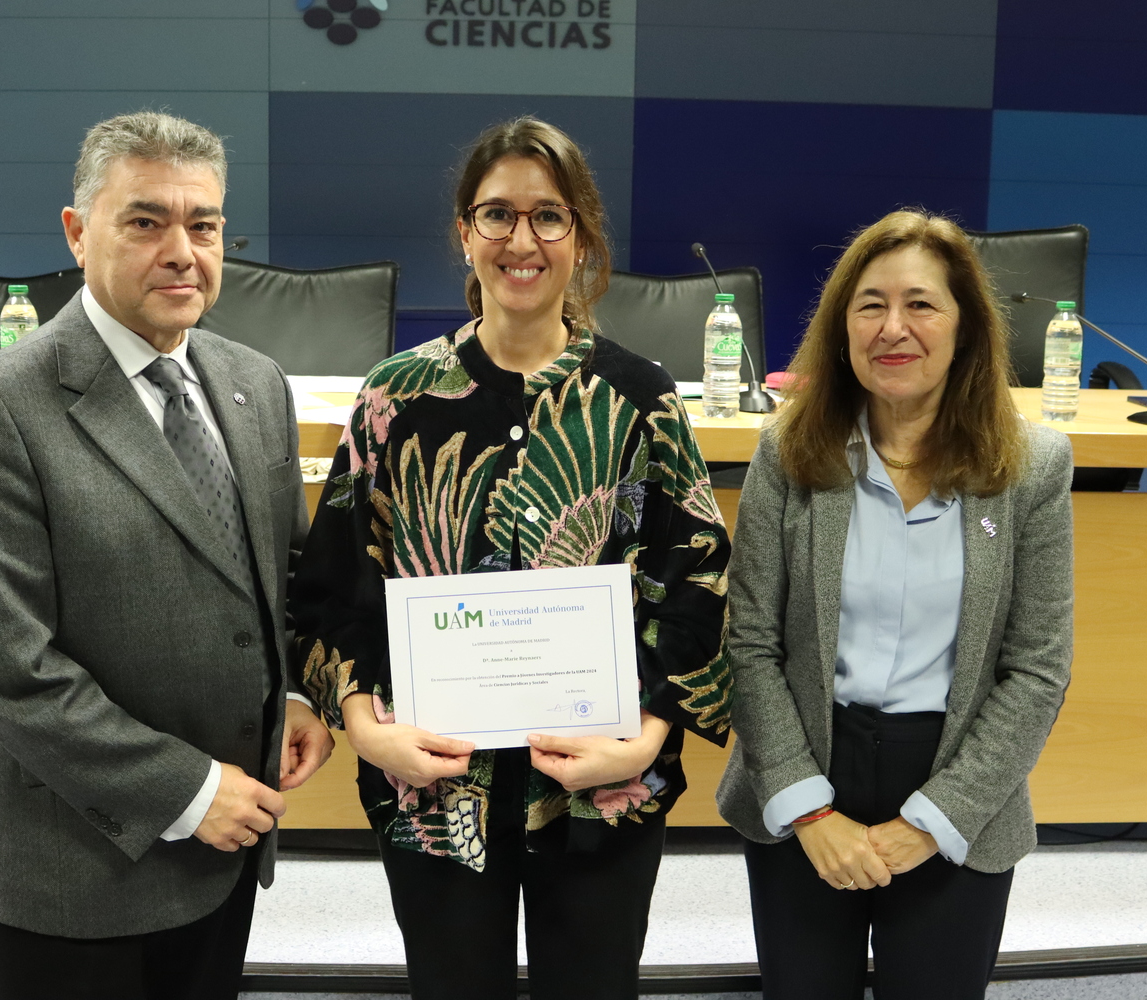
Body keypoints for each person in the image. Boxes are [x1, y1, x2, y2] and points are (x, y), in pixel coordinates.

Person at [290, 116, 733, 1000]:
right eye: (497, 215)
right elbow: (332, 584)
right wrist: (367, 726)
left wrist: (645, 737)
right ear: (464, 233)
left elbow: (696, 577)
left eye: (549, 217)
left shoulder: (639, 396)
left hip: (602, 791)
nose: (521, 241)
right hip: (436, 793)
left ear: (583, 238)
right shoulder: (395, 397)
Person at [0, 111, 334, 1000]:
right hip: (79, 857)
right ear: (78, 234)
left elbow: (286, 575)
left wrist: (299, 691)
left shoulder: (253, 382)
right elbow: (5, 663)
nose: (183, 251)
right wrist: (188, 792)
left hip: (229, 841)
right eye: (146, 222)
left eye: (206, 225)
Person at [715, 209, 1074, 999]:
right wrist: (810, 812)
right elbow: (748, 644)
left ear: (966, 326)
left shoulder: (1033, 467)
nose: (893, 327)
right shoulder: (790, 450)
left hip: (955, 780)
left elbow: (1038, 668)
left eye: (921, 304)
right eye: (870, 304)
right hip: (808, 766)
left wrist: (931, 820)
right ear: (842, 328)